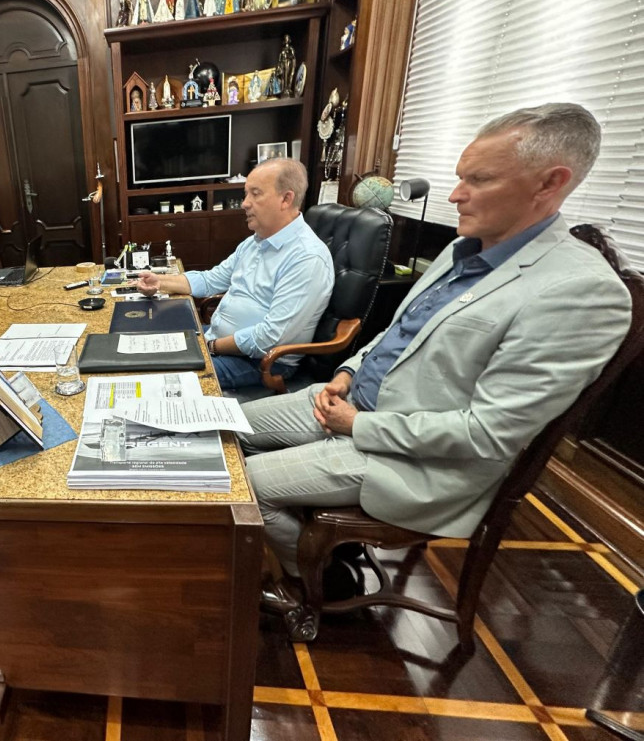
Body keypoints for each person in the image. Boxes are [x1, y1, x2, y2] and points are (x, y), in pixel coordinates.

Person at [237, 104, 633, 616]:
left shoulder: (582, 292)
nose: (454, 195)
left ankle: (312, 586)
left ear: (549, 184)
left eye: (479, 180)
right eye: (459, 177)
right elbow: (393, 335)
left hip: (411, 459)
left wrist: (357, 425)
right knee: (229, 426)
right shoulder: (461, 249)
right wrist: (346, 372)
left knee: (245, 484)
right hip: (349, 402)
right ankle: (314, 546)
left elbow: (487, 436)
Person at [137, 159, 333, 390]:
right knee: (146, 346)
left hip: (260, 362)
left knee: (159, 377)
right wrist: (161, 282)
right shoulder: (255, 243)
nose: (245, 204)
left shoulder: (307, 259)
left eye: (255, 194)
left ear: (286, 199)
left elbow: (269, 338)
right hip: (218, 339)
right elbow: (211, 279)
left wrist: (211, 347)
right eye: (245, 194)